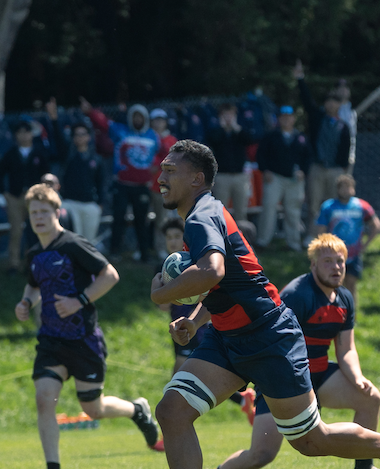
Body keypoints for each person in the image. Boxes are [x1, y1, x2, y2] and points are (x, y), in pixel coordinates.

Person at [139, 140, 380, 469]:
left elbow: (212, 270)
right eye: (162, 169)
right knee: (172, 410)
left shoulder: (201, 215)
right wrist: (194, 319)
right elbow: (232, 282)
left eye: (171, 170)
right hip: (228, 337)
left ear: (196, 178)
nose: (161, 177)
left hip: (268, 337)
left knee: (311, 441)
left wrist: (162, 294)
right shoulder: (202, 214)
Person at [201, 233, 380, 469]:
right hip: (282, 379)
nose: (336, 267)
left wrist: (357, 378)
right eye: (327, 262)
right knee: (261, 454)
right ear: (313, 265)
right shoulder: (297, 295)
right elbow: (273, 341)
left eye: (340, 261)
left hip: (320, 377)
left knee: (370, 398)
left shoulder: (345, 298)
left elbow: (346, 349)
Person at [15, 183, 162, 469]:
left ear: (58, 213)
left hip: (83, 339)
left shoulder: (73, 244)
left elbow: (110, 275)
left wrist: (79, 300)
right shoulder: (34, 252)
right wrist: (27, 301)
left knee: (92, 408)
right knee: (45, 399)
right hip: (51, 340)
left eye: (44, 211)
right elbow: (34, 283)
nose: (38, 217)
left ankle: (137, 409)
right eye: (33, 213)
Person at [160, 218, 254, 422]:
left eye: (177, 236)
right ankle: (243, 399)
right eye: (169, 238)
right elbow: (163, 305)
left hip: (197, 327)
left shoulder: (198, 264)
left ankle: (171, 422)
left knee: (178, 378)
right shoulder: (165, 269)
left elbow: (211, 294)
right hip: (179, 329)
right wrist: (166, 286)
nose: (173, 241)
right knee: (198, 377)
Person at [81, 98, 159, 261]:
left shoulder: (153, 136)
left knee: (141, 220)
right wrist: (90, 111)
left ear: (145, 119)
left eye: (140, 117)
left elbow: (162, 153)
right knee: (118, 218)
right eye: (135, 116)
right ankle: (115, 251)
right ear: (130, 118)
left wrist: (156, 166)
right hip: (122, 185)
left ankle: (144, 253)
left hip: (142, 186)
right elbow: (104, 123)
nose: (137, 120)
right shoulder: (120, 131)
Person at [295, 60, 354, 223]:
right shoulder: (317, 118)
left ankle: (333, 234)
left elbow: (346, 149)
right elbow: (307, 101)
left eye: (334, 101)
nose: (331, 104)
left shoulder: (343, 126)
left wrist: (343, 168)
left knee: (334, 204)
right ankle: (313, 236)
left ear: (339, 104)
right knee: (315, 204)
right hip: (317, 167)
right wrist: (300, 79)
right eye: (328, 101)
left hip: (335, 169)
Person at [0, 119, 51, 273]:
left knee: (35, 231)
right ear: (16, 135)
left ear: (31, 134)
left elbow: (46, 174)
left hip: (34, 197)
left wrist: (42, 193)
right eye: (20, 133)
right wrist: (5, 193)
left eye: (26, 132)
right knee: (16, 231)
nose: (24, 136)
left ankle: (32, 263)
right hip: (15, 197)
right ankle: (13, 264)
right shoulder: (11, 154)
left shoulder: (39, 153)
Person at [47, 98, 105, 245]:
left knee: (89, 242)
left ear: (88, 136)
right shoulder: (68, 156)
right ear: (73, 138)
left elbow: (102, 182)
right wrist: (54, 118)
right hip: (70, 203)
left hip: (90, 205)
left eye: (83, 134)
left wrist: (101, 204)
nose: (80, 137)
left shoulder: (96, 159)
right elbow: (59, 139)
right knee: (73, 241)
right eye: (76, 134)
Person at [315, 174, 380, 302]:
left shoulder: (361, 206)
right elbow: (321, 230)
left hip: (353, 253)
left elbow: (376, 226)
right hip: (333, 254)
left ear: (354, 189)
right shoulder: (328, 207)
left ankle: (351, 317)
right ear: (338, 189)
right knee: (334, 285)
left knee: (351, 284)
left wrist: (365, 245)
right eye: (343, 187)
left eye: (349, 187)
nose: (346, 191)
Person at [256, 105, 310, 251]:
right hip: (274, 177)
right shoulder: (270, 136)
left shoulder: (301, 137)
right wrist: (265, 170)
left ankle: (293, 243)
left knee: (293, 211)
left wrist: (303, 172)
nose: (286, 120)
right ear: (279, 119)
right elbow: (261, 154)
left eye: (289, 117)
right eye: (283, 117)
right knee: (269, 208)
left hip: (294, 179)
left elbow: (307, 157)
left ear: (294, 119)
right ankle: (262, 241)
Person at [204, 103, 255, 221]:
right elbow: (212, 140)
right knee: (220, 211)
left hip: (240, 176)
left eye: (231, 115)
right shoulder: (216, 131)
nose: (228, 118)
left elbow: (249, 140)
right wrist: (222, 128)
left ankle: (241, 236)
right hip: (222, 176)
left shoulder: (240, 131)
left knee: (241, 211)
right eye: (225, 115)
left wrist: (236, 128)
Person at [149, 107, 178, 258]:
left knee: (162, 219)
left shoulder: (171, 141)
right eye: (156, 120)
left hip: (163, 187)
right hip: (145, 184)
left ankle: (162, 247)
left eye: (161, 120)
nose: (159, 123)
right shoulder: (147, 138)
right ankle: (145, 248)